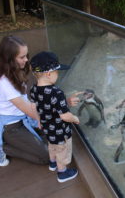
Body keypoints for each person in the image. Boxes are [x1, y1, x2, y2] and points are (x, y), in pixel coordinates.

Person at [0, 36, 80, 170]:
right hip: (13, 127)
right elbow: (33, 111)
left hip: (26, 118)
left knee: (54, 141)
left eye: (26, 55)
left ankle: (24, 141)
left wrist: (64, 102)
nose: (27, 60)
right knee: (47, 155)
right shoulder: (5, 84)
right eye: (22, 57)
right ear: (9, 59)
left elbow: (39, 103)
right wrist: (63, 110)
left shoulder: (16, 72)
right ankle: (4, 148)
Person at [29, 51, 80, 183]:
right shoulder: (57, 92)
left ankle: (52, 163)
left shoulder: (33, 89)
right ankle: (62, 172)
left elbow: (35, 107)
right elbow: (64, 116)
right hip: (60, 130)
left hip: (47, 127)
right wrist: (75, 118)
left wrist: (39, 121)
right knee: (62, 150)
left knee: (52, 145)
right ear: (49, 74)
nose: (58, 74)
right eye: (57, 72)